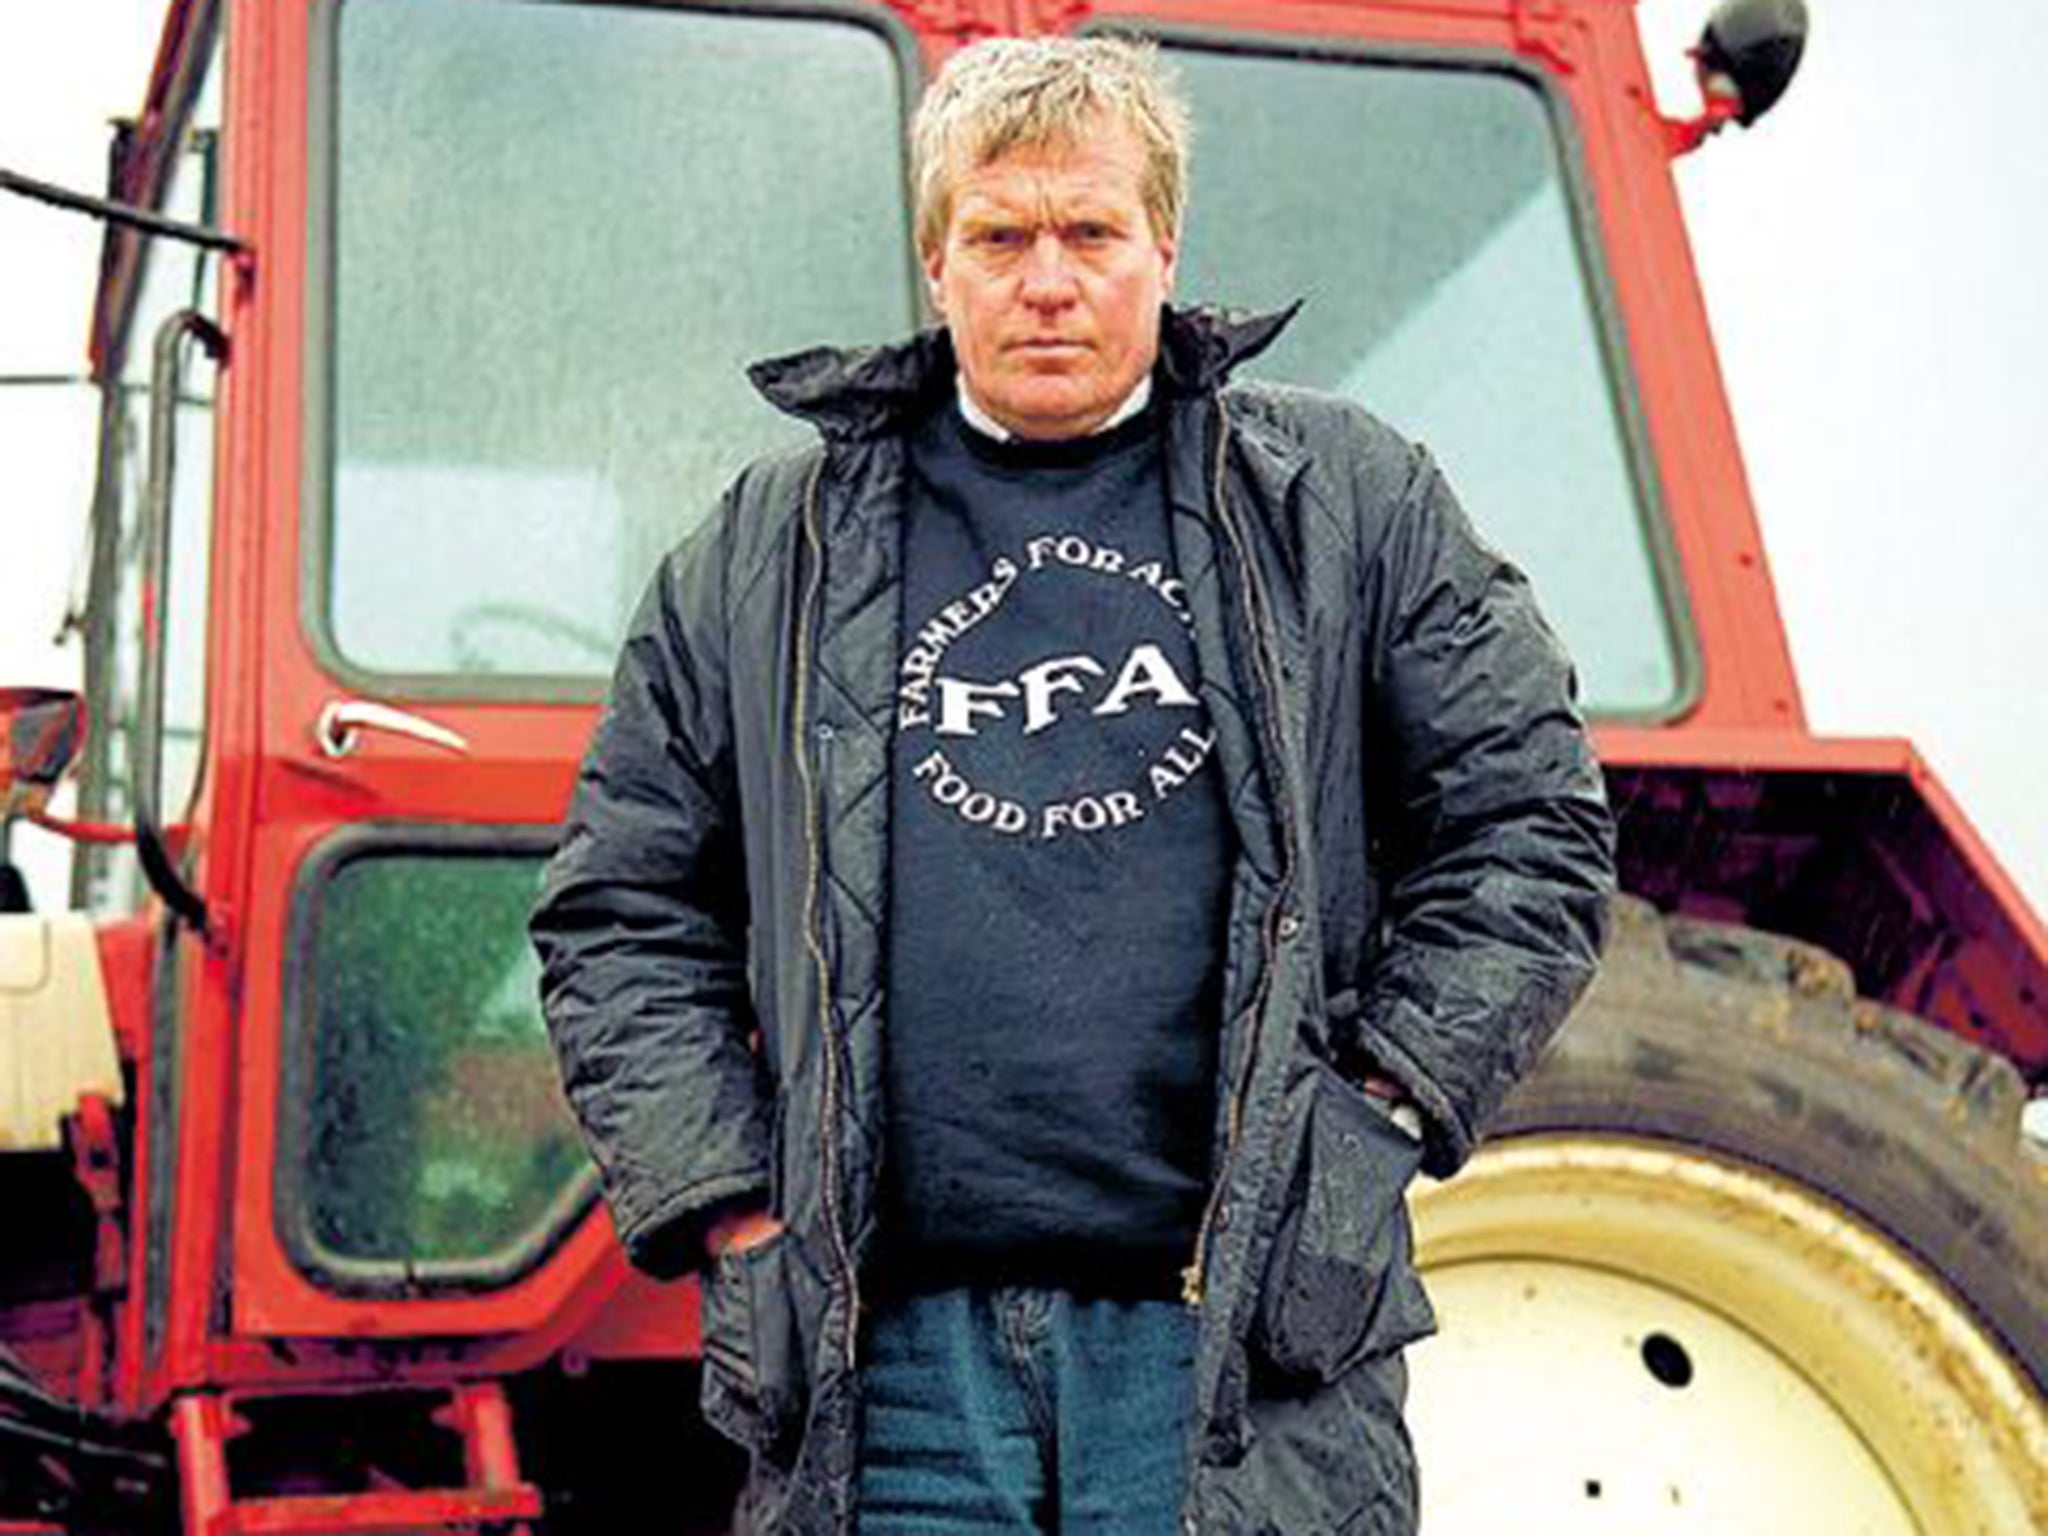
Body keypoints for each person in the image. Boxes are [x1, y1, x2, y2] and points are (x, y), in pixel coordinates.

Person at [531, 35, 1614, 1536]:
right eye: (1001, 236)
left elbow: (1530, 828)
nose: (1050, 280)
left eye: (1093, 232)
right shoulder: (762, 549)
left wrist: (1373, 1112)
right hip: (886, 1366)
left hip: (1234, 1344)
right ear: (937, 260)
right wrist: (735, 1207)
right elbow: (621, 906)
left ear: (1164, 245)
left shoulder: (1345, 503)